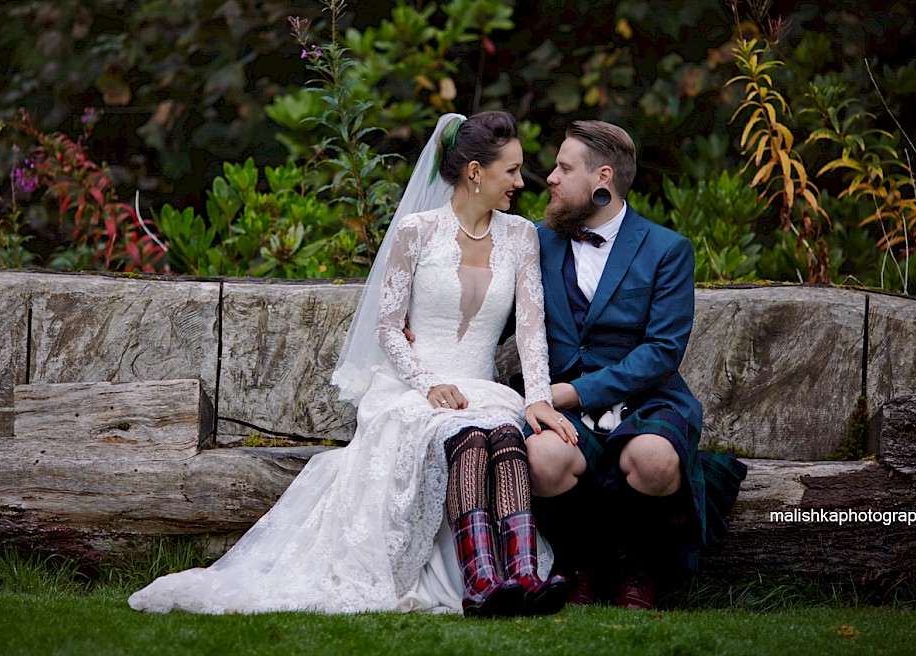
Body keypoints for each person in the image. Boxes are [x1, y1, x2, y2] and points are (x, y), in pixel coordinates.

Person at [128, 110, 576, 616]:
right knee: (469, 439)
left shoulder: (521, 236)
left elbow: (531, 328)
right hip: (415, 390)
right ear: (475, 172)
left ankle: (523, 576)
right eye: (511, 171)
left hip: (482, 387)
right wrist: (428, 385)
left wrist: (538, 397)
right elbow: (387, 327)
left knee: (507, 437)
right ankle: (481, 581)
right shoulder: (417, 232)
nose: (521, 181)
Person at [524, 120, 747, 610]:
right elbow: (493, 309)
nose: (552, 178)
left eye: (564, 168)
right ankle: (574, 566)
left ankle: (637, 570)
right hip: (561, 401)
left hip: (646, 397)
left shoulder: (667, 249)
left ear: (602, 178)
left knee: (655, 460)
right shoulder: (536, 242)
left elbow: (663, 350)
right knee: (542, 459)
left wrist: (578, 393)